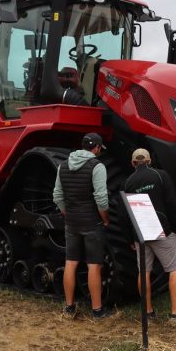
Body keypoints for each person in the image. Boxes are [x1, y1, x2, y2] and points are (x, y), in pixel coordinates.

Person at [123, 148, 176, 322]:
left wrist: (131, 237)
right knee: (174, 269)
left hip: (140, 233)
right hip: (162, 231)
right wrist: (175, 226)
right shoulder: (160, 175)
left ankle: (148, 312)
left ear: (133, 163)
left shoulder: (128, 182)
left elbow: (126, 214)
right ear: (149, 160)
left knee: (143, 271)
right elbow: (171, 203)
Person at [53, 133, 112, 319]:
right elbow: (101, 198)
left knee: (70, 262)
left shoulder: (63, 165)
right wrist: (105, 218)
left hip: (71, 222)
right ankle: (97, 310)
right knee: (94, 265)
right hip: (91, 222)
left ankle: (69, 307)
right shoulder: (97, 166)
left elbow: (57, 195)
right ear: (96, 148)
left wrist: (66, 213)